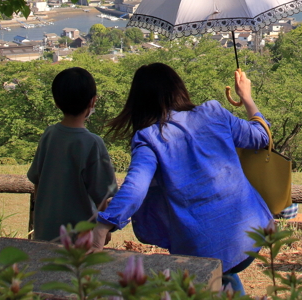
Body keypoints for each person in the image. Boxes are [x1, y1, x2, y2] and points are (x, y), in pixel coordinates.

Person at [90, 64, 272, 293]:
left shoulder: (149, 139)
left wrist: (102, 227)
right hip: (252, 232)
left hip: (202, 249)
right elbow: (261, 136)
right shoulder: (214, 112)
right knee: (224, 277)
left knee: (209, 277)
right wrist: (246, 97)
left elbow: (135, 189)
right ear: (179, 89)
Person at [28, 66, 117, 241]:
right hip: (81, 239)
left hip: (45, 234)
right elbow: (105, 196)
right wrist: (105, 229)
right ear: (93, 101)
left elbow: (37, 182)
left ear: (56, 102)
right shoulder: (92, 143)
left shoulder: (49, 135)